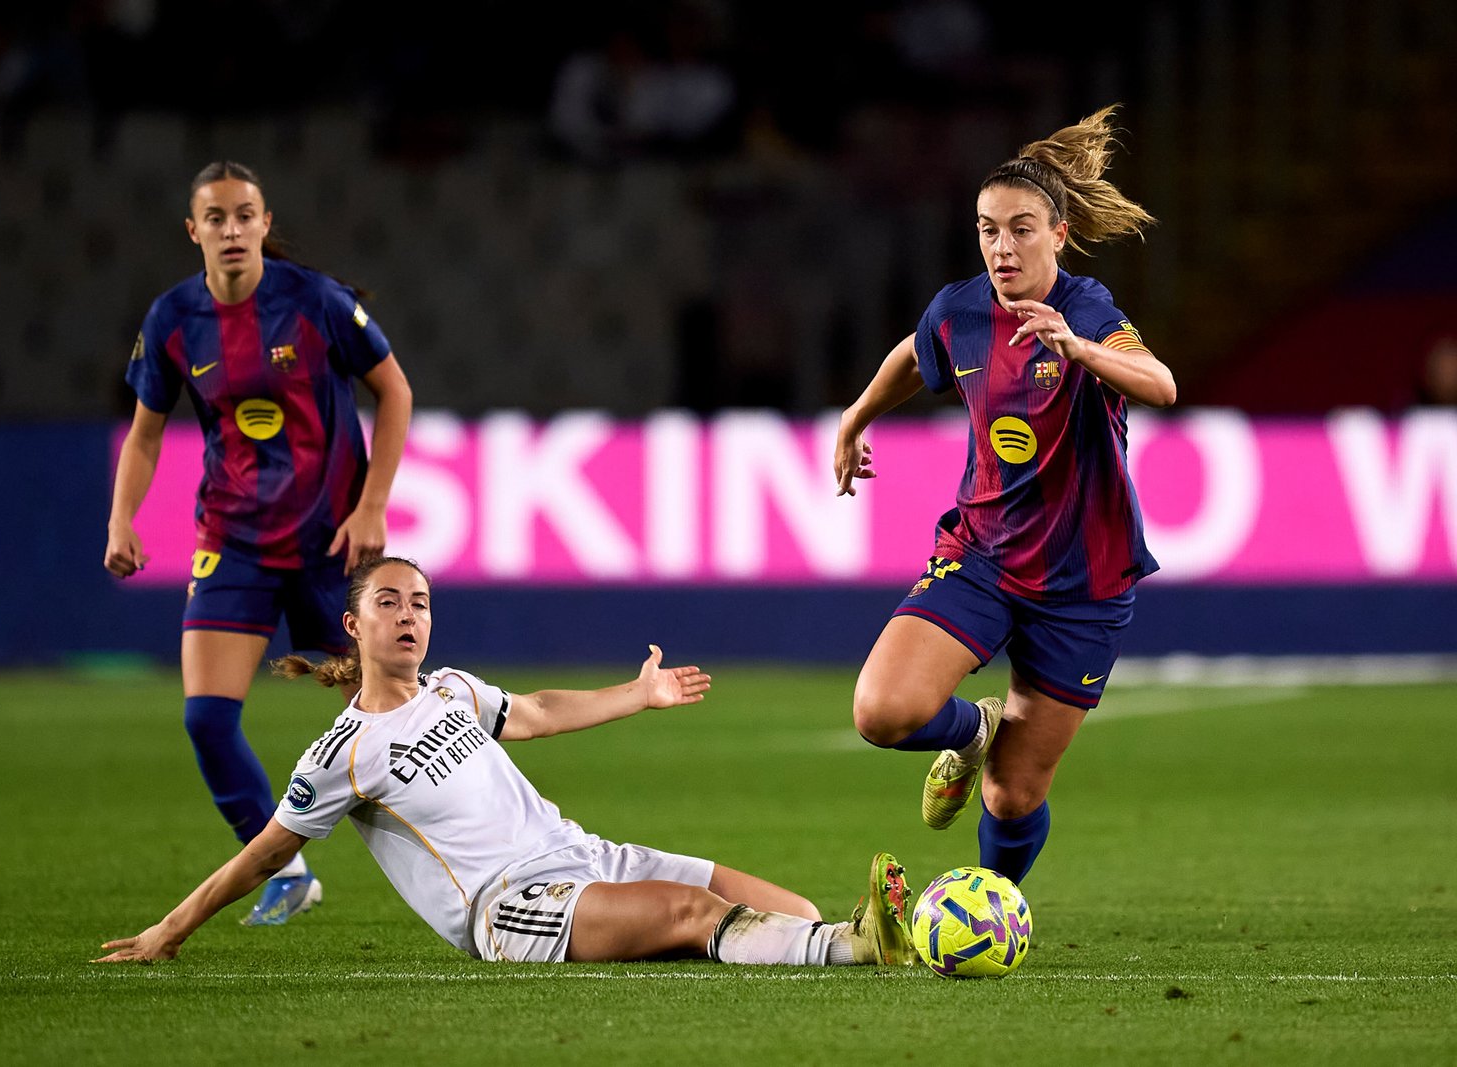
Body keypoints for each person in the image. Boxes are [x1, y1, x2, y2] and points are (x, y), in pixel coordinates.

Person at [94, 556, 917, 968]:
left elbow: (536, 712)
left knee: (790, 906)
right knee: (693, 910)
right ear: (353, 626)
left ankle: (843, 937)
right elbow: (267, 851)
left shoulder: (452, 687)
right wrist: (171, 927)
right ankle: (866, 945)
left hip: (587, 856)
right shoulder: (342, 753)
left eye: (420, 601)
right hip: (513, 905)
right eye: (388, 602)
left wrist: (638, 694)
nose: (409, 615)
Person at [832, 105, 1176, 887]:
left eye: (1021, 230)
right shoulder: (960, 309)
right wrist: (856, 418)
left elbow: (1160, 383)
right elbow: (913, 354)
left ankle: (991, 902)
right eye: (989, 230)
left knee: (1013, 794)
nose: (1002, 247)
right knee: (881, 712)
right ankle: (972, 729)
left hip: (1084, 583)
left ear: (1058, 234)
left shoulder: (1087, 310)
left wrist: (1079, 349)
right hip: (982, 556)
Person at [103, 161, 414, 926]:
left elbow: (395, 390)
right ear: (194, 230)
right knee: (207, 720)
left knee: (395, 726)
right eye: (216, 217)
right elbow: (145, 434)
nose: (232, 229)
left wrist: (372, 504)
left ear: (265, 223)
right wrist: (121, 518)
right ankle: (289, 873)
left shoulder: (315, 301)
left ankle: (483, 854)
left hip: (330, 543)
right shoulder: (173, 318)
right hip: (233, 542)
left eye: (245, 214)